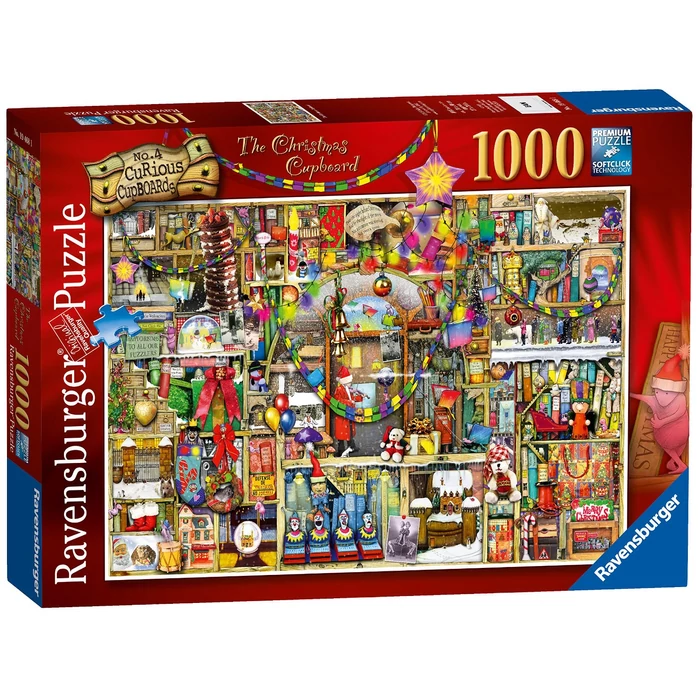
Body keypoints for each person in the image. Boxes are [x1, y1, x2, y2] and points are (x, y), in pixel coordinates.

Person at [333, 366, 365, 456]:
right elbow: (338, 400)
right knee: (342, 434)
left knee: (349, 431)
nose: (351, 383)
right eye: (349, 382)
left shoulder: (348, 389)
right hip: (342, 414)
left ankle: (352, 446)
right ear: (345, 381)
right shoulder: (339, 389)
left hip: (348, 413)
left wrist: (361, 397)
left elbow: (352, 398)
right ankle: (341, 450)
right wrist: (349, 402)